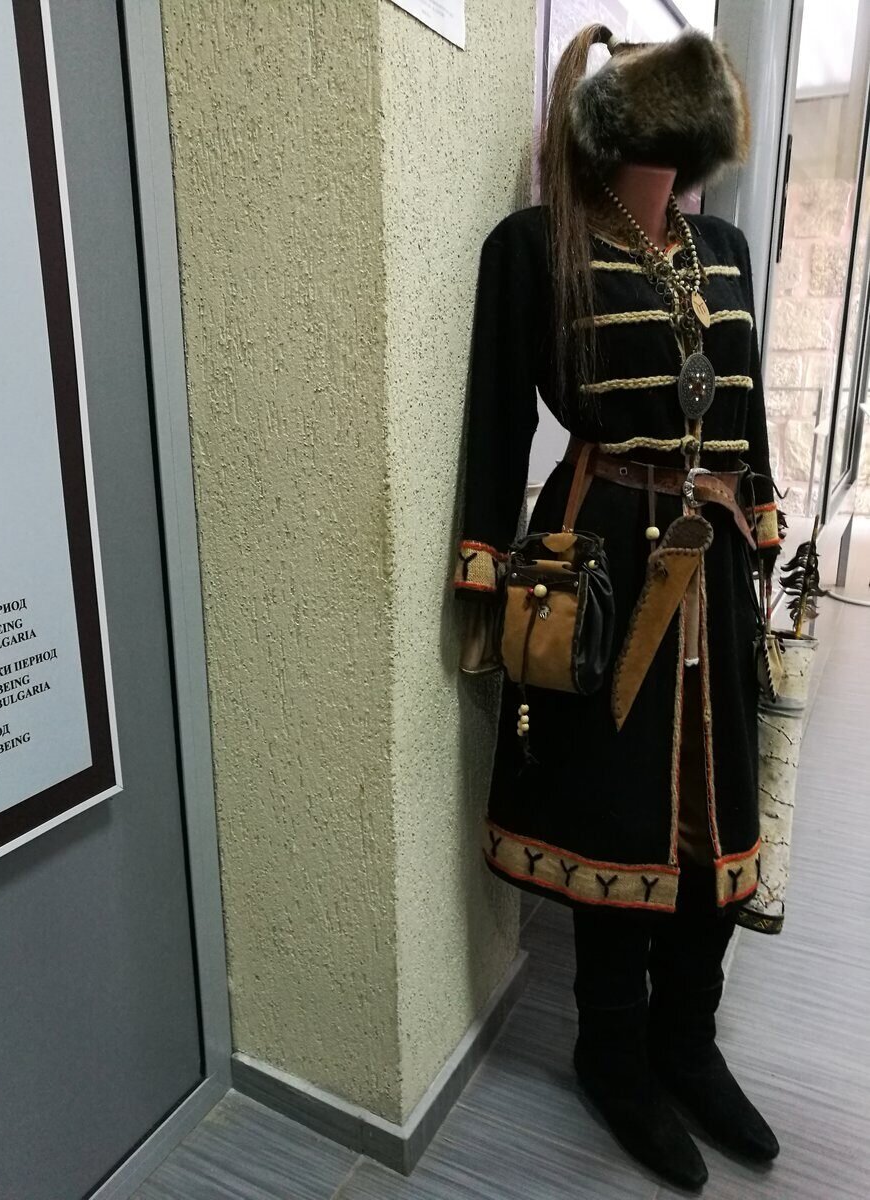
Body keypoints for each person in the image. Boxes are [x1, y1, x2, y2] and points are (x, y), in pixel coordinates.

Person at [454, 26, 783, 1191]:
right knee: (617, 809)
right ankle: (611, 1051)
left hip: (717, 560)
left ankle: (687, 1043)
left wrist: (764, 526)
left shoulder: (726, 246)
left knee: (717, 807)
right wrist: (485, 572)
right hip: (605, 559)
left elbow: (745, 409)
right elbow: (499, 416)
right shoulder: (533, 245)